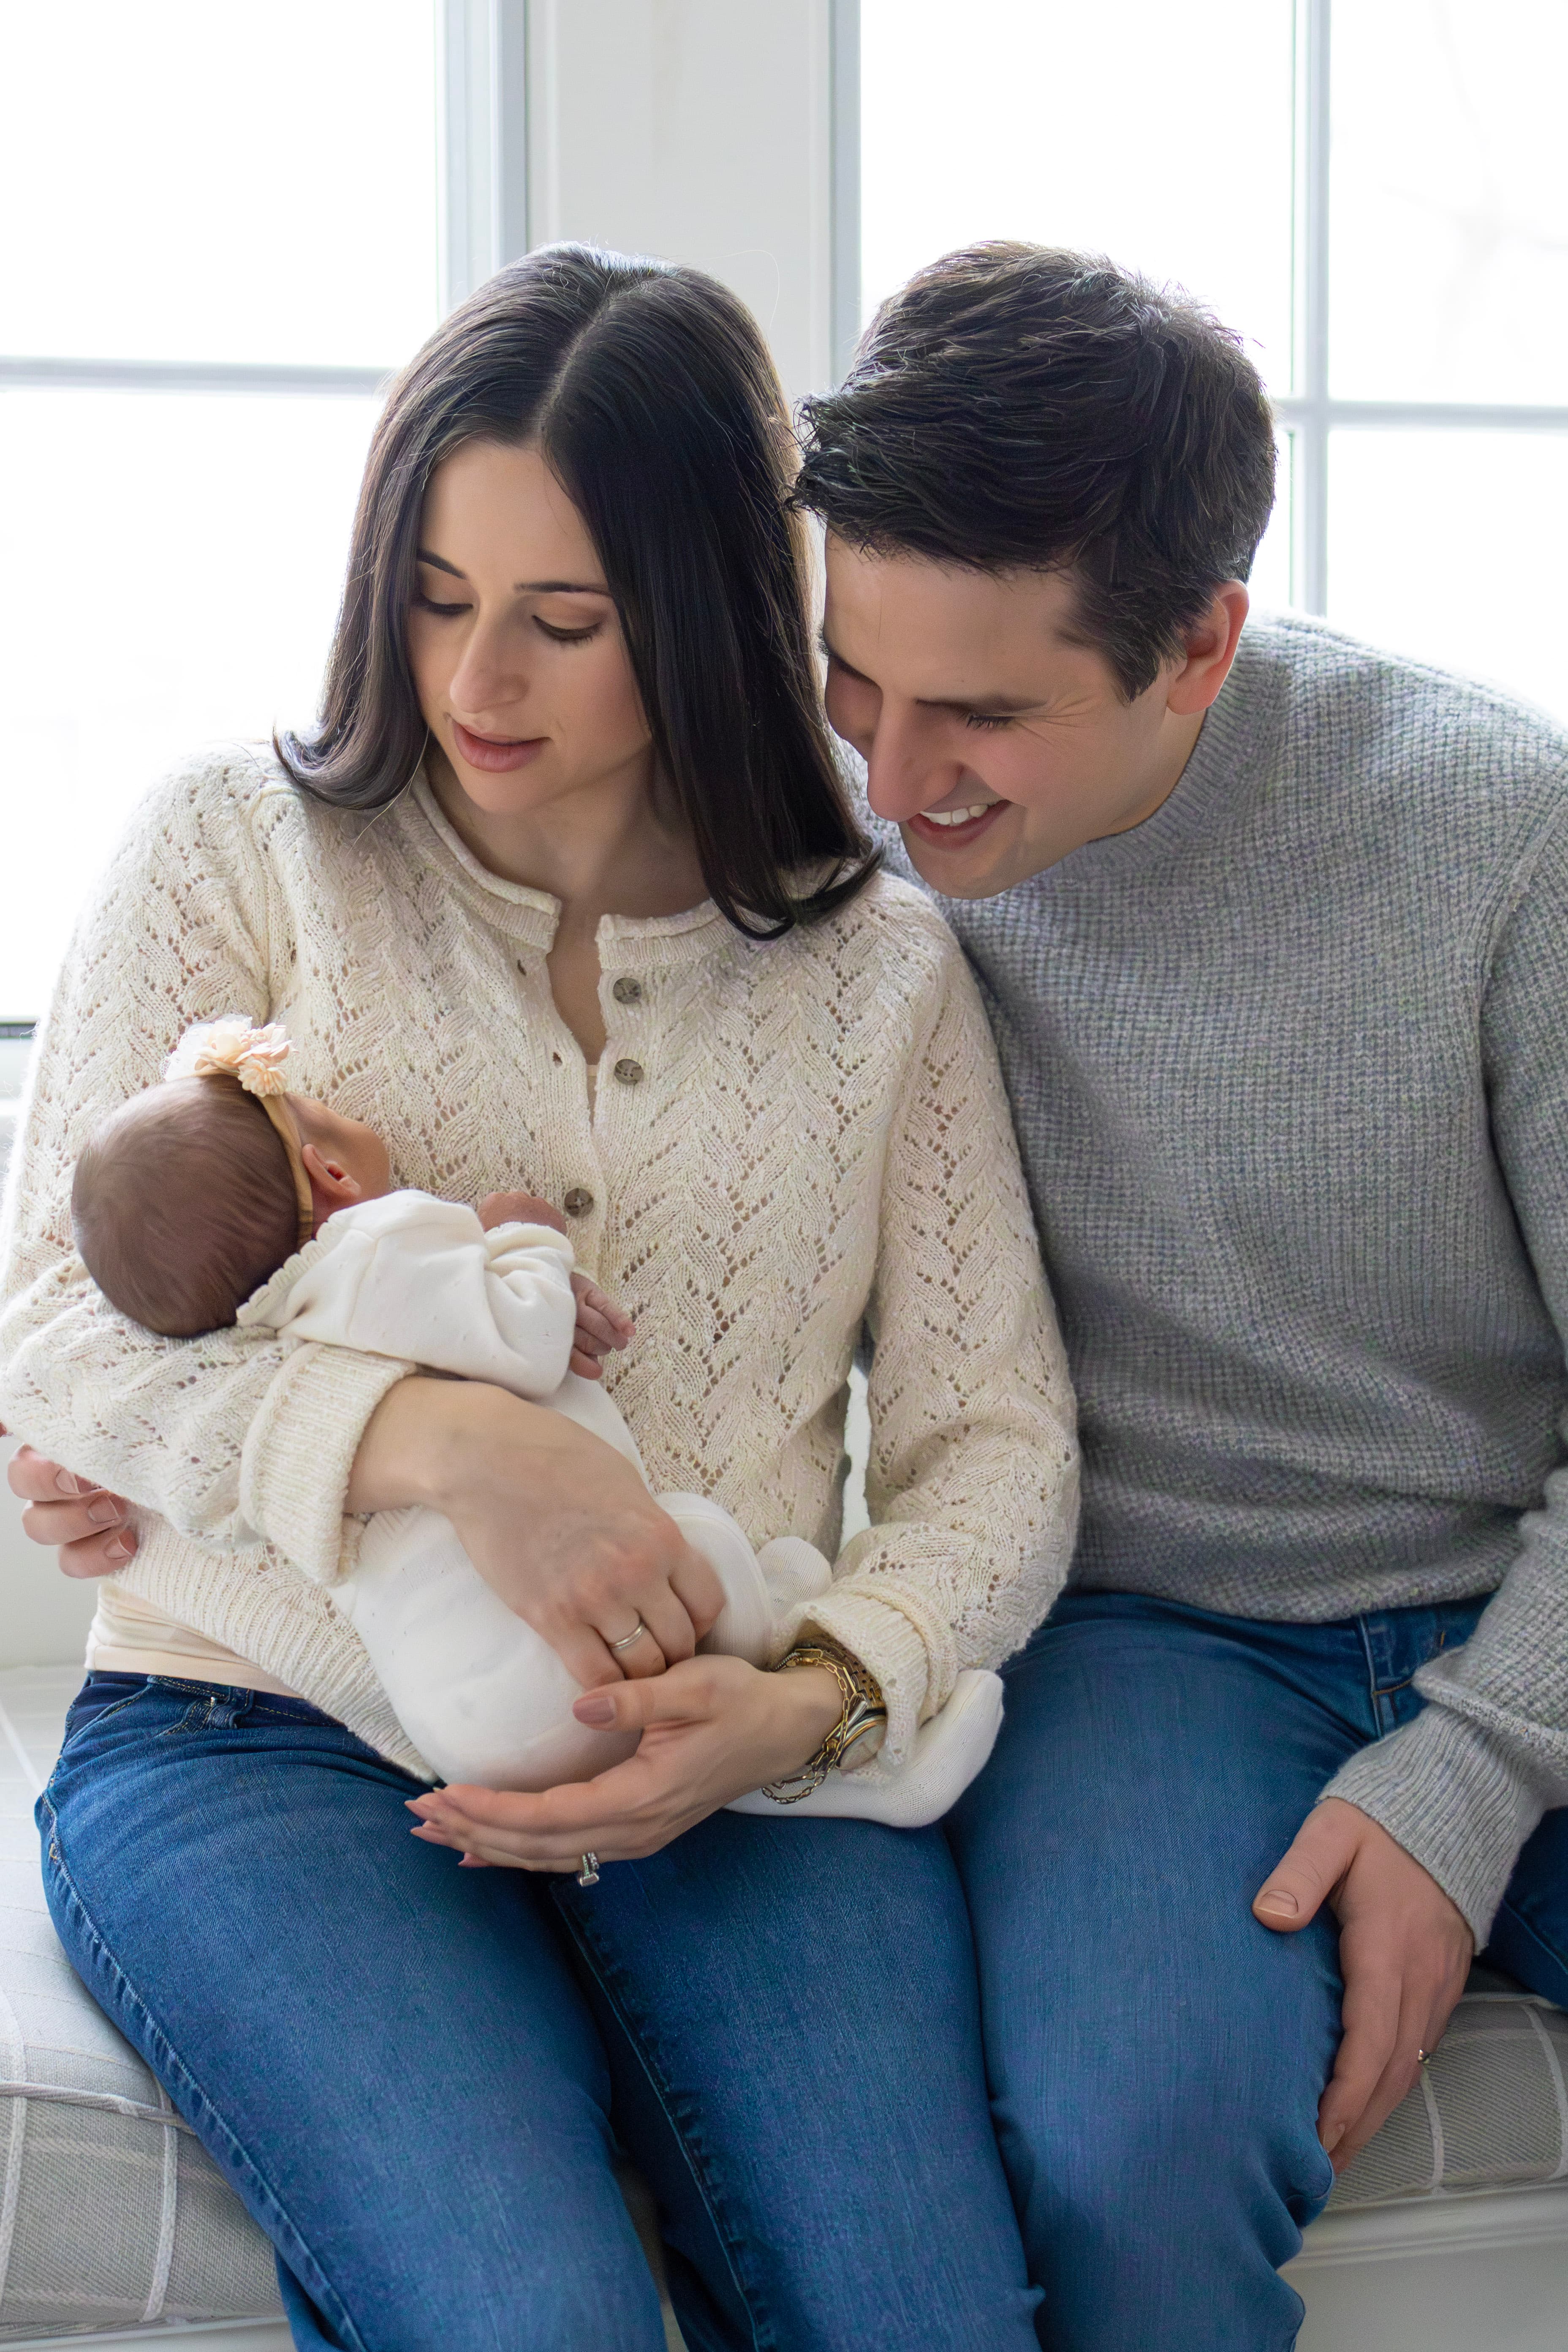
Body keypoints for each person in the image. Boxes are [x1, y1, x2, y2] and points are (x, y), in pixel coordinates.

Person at [0, 244, 1076, 2350]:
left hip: (729, 1748)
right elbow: (52, 1325)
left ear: (704, 608)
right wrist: (441, 1444)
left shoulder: (876, 970)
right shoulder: (235, 848)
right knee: (529, 2316)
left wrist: (812, 1692)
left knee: (922, 2316)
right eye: (434, 596)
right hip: (257, 1724)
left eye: (563, 621)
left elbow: (998, 1447)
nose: (478, 676)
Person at [792, 240, 1568, 2349]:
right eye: (855, 680)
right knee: (1126, 2154)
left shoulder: (1501, 839)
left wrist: (1469, 1774)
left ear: (1201, 643)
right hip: (1146, 1636)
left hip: (1518, 1582)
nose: (892, 783)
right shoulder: (820, 845)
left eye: (981, 714)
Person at [68, 1010, 995, 1811]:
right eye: (325, 1107)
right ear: (332, 1171)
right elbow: (530, 1337)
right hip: (554, 1670)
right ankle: (823, 1748)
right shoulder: (383, 1242)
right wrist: (524, 1238)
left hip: (456, 1721)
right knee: (700, 1545)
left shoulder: (264, 1323)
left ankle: (786, 1760)